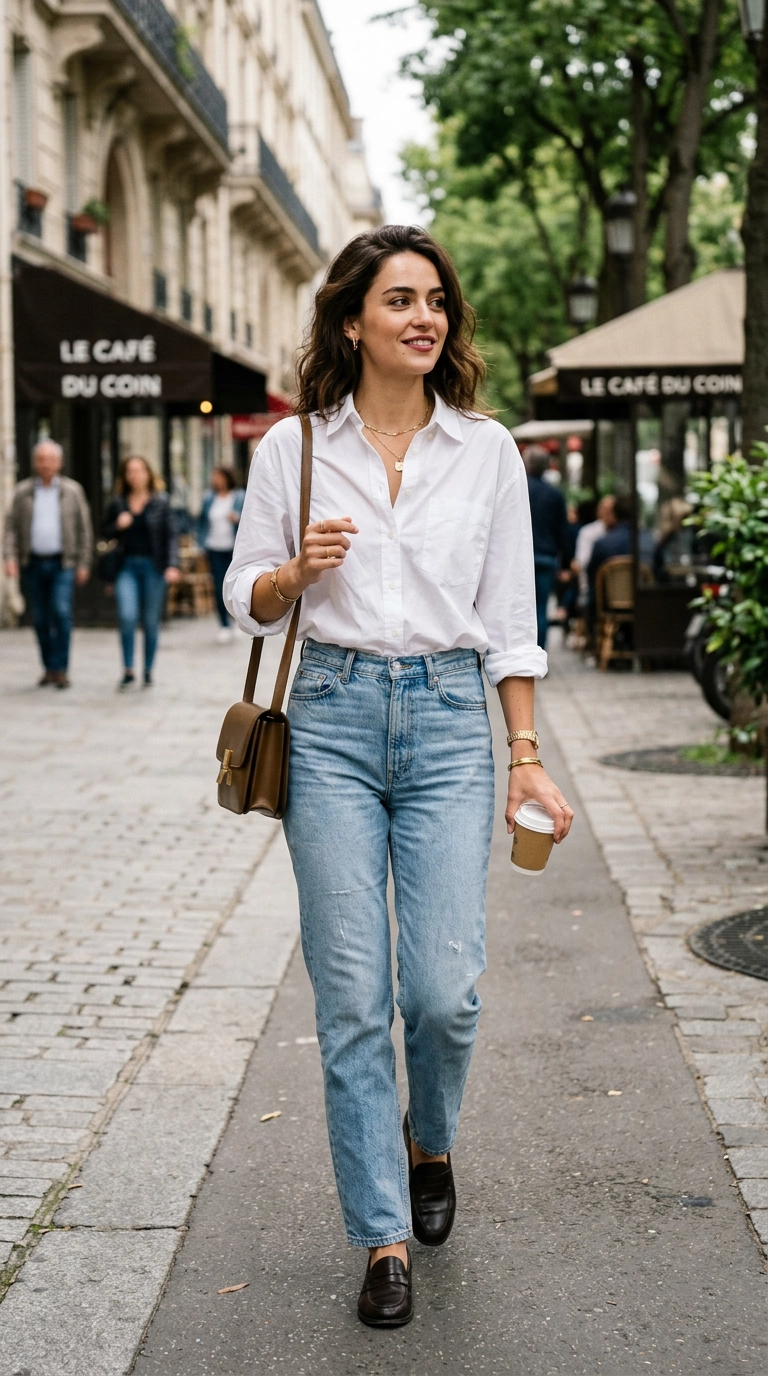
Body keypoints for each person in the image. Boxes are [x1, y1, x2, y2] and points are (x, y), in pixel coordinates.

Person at [224, 224, 573, 1327]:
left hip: (446, 728)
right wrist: (292, 570)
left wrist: (526, 754)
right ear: (351, 320)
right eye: (399, 300)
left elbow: (511, 624)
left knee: (443, 992)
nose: (424, 316)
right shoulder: (295, 449)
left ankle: (432, 1135)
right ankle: (381, 1233)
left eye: (435, 300)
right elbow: (246, 593)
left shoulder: (487, 450)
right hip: (326, 718)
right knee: (352, 999)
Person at [3, 439, 93, 688]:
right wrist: (9, 558)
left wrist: (84, 562)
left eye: (51, 460)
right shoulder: (23, 492)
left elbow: (84, 529)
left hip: (63, 562)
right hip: (32, 563)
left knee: (61, 611)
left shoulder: (72, 491)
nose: (46, 465)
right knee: (40, 617)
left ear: (60, 463)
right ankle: (49, 667)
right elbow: (10, 529)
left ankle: (61, 668)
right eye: (41, 459)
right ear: (35, 463)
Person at [102, 456, 180, 688]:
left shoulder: (161, 502)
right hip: (126, 566)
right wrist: (117, 525)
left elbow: (171, 535)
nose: (134, 475)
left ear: (148, 474)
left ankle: (147, 669)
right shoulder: (118, 503)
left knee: (150, 621)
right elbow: (105, 532)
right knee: (126, 616)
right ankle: (128, 669)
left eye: (139, 470)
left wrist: (172, 565)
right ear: (125, 476)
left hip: (153, 567)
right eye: (129, 471)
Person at [523, 444, 571, 649]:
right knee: (541, 608)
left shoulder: (517, 488)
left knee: (519, 610)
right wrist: (566, 564)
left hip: (519, 559)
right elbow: (563, 532)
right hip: (546, 557)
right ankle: (539, 653)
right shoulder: (555, 495)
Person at [197, 466, 245, 642]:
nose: (216, 480)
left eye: (219, 477)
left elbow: (250, 518)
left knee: (235, 586)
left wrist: (237, 518)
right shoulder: (209, 498)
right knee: (219, 586)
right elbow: (201, 521)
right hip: (214, 548)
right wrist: (199, 544)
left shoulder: (239, 496)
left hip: (234, 549)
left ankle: (236, 621)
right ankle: (224, 624)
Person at [574, 494, 615, 609]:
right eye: (604, 509)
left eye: (611, 510)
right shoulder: (588, 532)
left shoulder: (620, 534)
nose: (607, 513)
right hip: (593, 588)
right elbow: (582, 563)